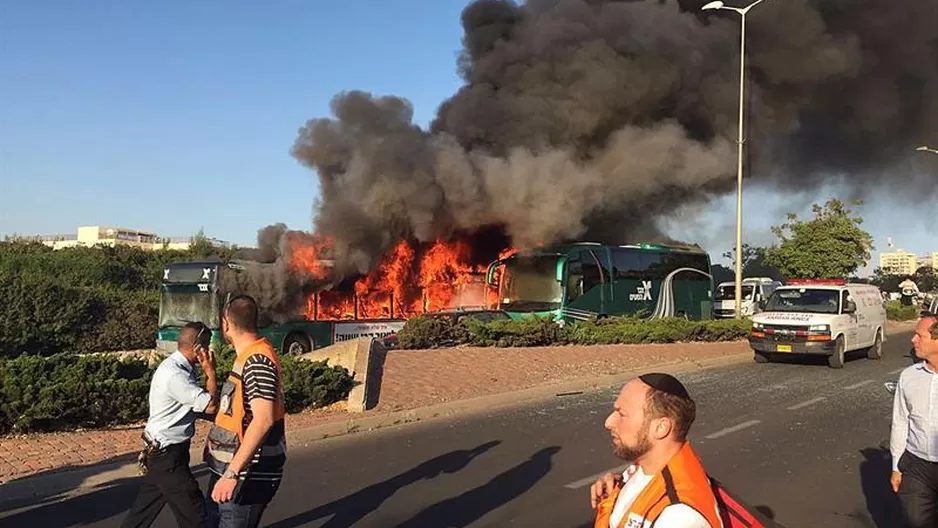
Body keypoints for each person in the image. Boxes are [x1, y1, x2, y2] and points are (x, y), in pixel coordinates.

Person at [590, 373, 723, 528]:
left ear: (661, 428)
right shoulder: (644, 468)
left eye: (622, 414)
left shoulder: (680, 516)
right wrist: (614, 494)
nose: (609, 422)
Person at [121, 321, 218, 528]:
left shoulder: (180, 367)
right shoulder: (176, 375)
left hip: (164, 452)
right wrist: (211, 373)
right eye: (207, 345)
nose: (209, 351)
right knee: (195, 513)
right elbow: (209, 407)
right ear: (197, 348)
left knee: (142, 513)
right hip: (166, 455)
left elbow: (194, 408)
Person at [204, 295, 286, 528]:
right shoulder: (248, 356)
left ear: (226, 323)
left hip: (246, 475)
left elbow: (263, 420)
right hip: (231, 469)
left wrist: (232, 474)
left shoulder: (257, 360)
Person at [890, 315, 938, 528]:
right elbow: (901, 422)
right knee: (916, 521)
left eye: (920, 335)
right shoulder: (909, 377)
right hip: (917, 465)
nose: (913, 340)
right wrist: (896, 466)